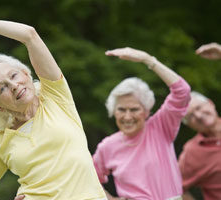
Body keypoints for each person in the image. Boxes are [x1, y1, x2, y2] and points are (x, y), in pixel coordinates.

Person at [0, 18, 107, 200]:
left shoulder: (56, 97)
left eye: (14, 75)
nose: (14, 85)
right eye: (2, 88)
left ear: (25, 73)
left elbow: (29, 35)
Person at [93, 47, 191, 200]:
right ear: (113, 112)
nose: (127, 116)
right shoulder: (107, 146)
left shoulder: (160, 127)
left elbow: (182, 92)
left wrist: (148, 60)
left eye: (134, 109)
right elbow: (89, 179)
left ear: (146, 111)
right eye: (121, 109)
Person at [178, 43, 221, 200]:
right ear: (189, 125)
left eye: (199, 108)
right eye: (191, 116)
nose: (199, 115)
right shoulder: (192, 152)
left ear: (210, 102)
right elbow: (175, 188)